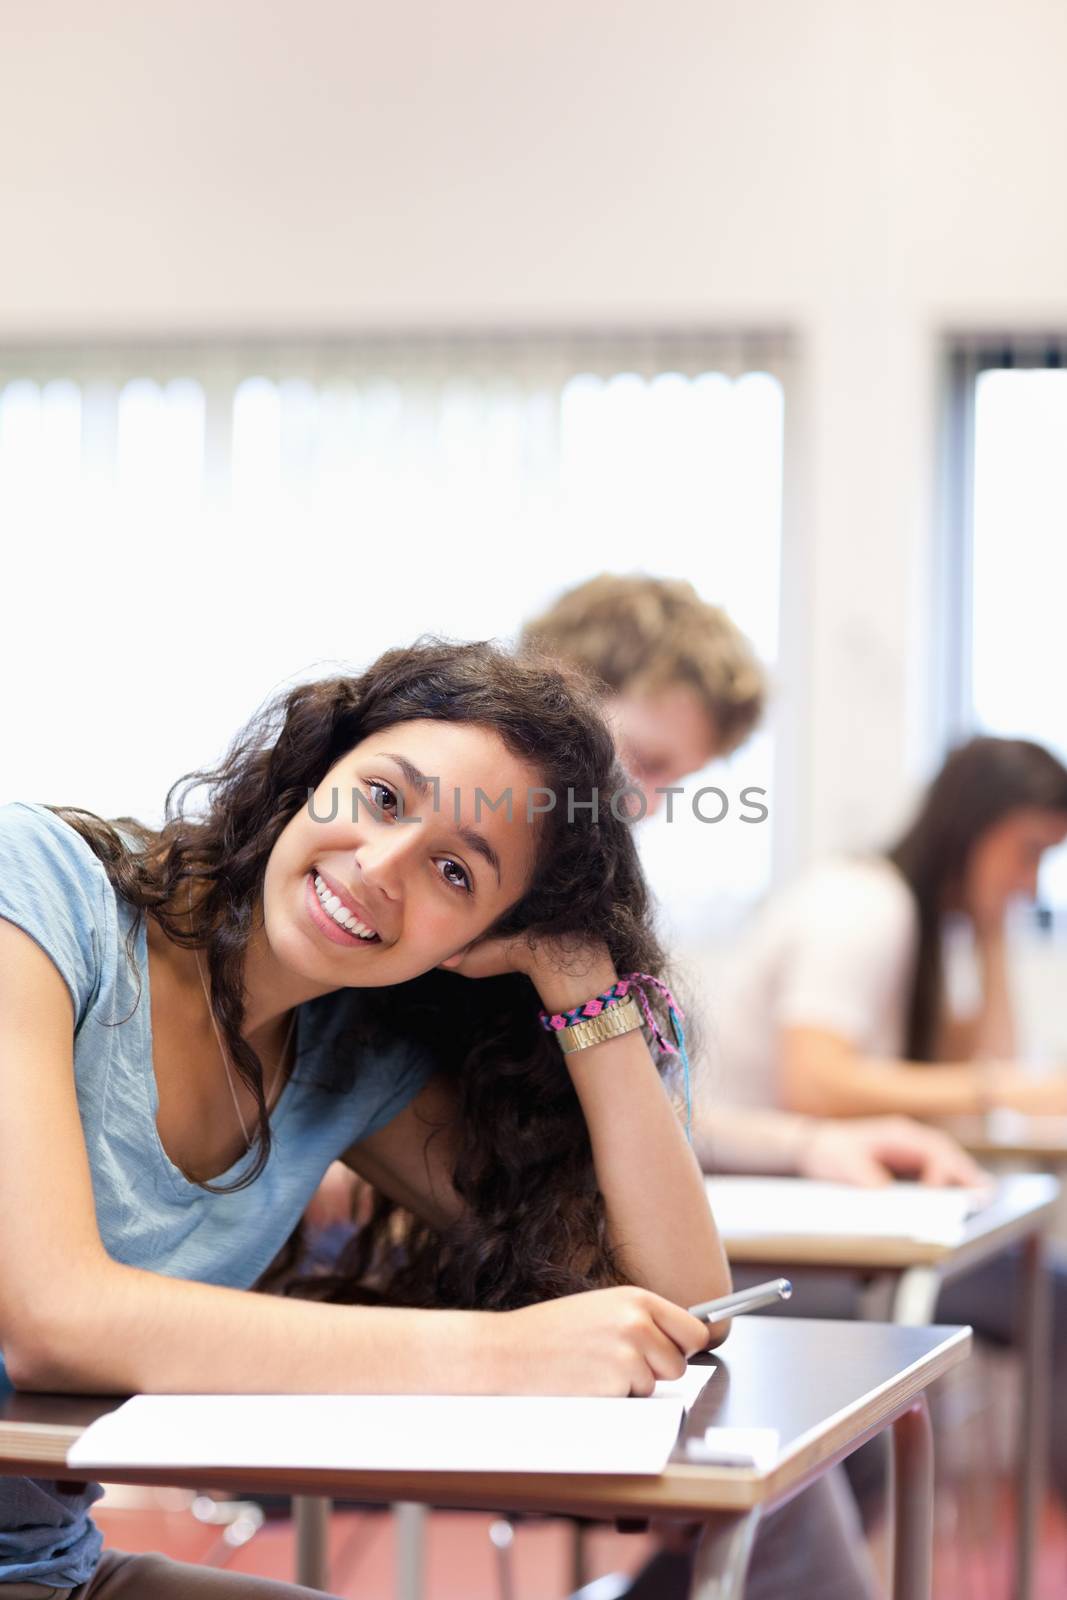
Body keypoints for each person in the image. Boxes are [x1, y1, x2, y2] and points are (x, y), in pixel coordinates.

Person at [0, 639, 728, 1599]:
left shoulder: (349, 1055)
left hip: (45, 1573)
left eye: (456, 874)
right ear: (317, 770)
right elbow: (51, 1321)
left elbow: (673, 1301)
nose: (381, 867)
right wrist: (501, 1356)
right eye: (383, 798)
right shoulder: (40, 891)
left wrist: (579, 976)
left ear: (478, 943)